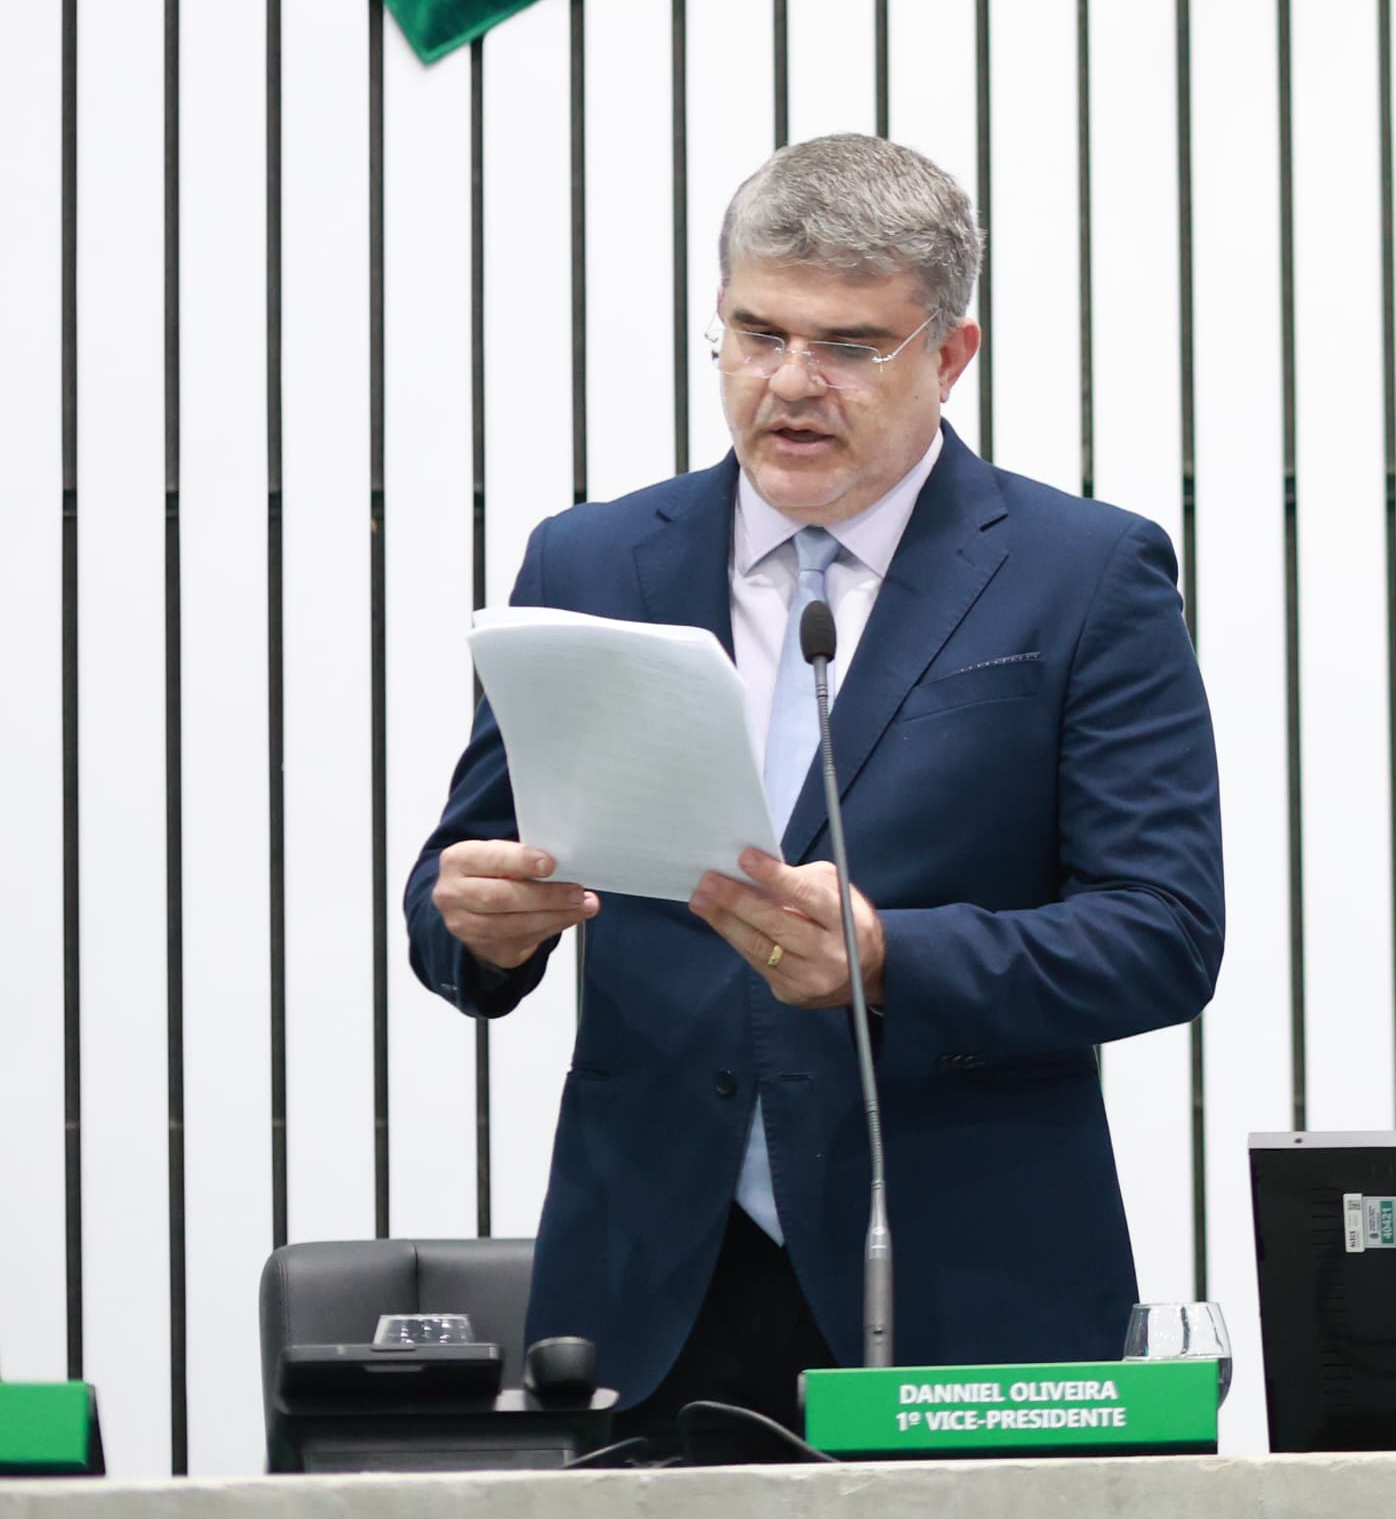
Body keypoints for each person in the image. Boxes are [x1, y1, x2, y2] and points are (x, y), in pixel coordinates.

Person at [404, 135, 1223, 1451]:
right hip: (651, 1291)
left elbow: (1164, 933)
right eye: (755, 332)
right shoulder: (591, 557)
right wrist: (471, 919)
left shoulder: (1084, 576)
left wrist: (894, 955)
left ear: (950, 355)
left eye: (849, 345)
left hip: (967, 1282)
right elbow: (462, 892)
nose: (790, 383)